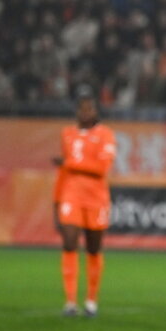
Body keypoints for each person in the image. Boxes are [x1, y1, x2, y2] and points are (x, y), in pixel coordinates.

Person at [58, 90, 116, 317]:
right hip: (71, 195)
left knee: (93, 247)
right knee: (69, 242)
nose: (85, 112)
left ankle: (91, 301)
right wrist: (56, 200)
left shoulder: (105, 135)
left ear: (96, 112)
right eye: (82, 108)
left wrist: (70, 163)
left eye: (89, 108)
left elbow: (102, 168)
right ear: (76, 111)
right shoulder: (67, 134)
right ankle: (70, 302)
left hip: (97, 198)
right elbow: (64, 172)